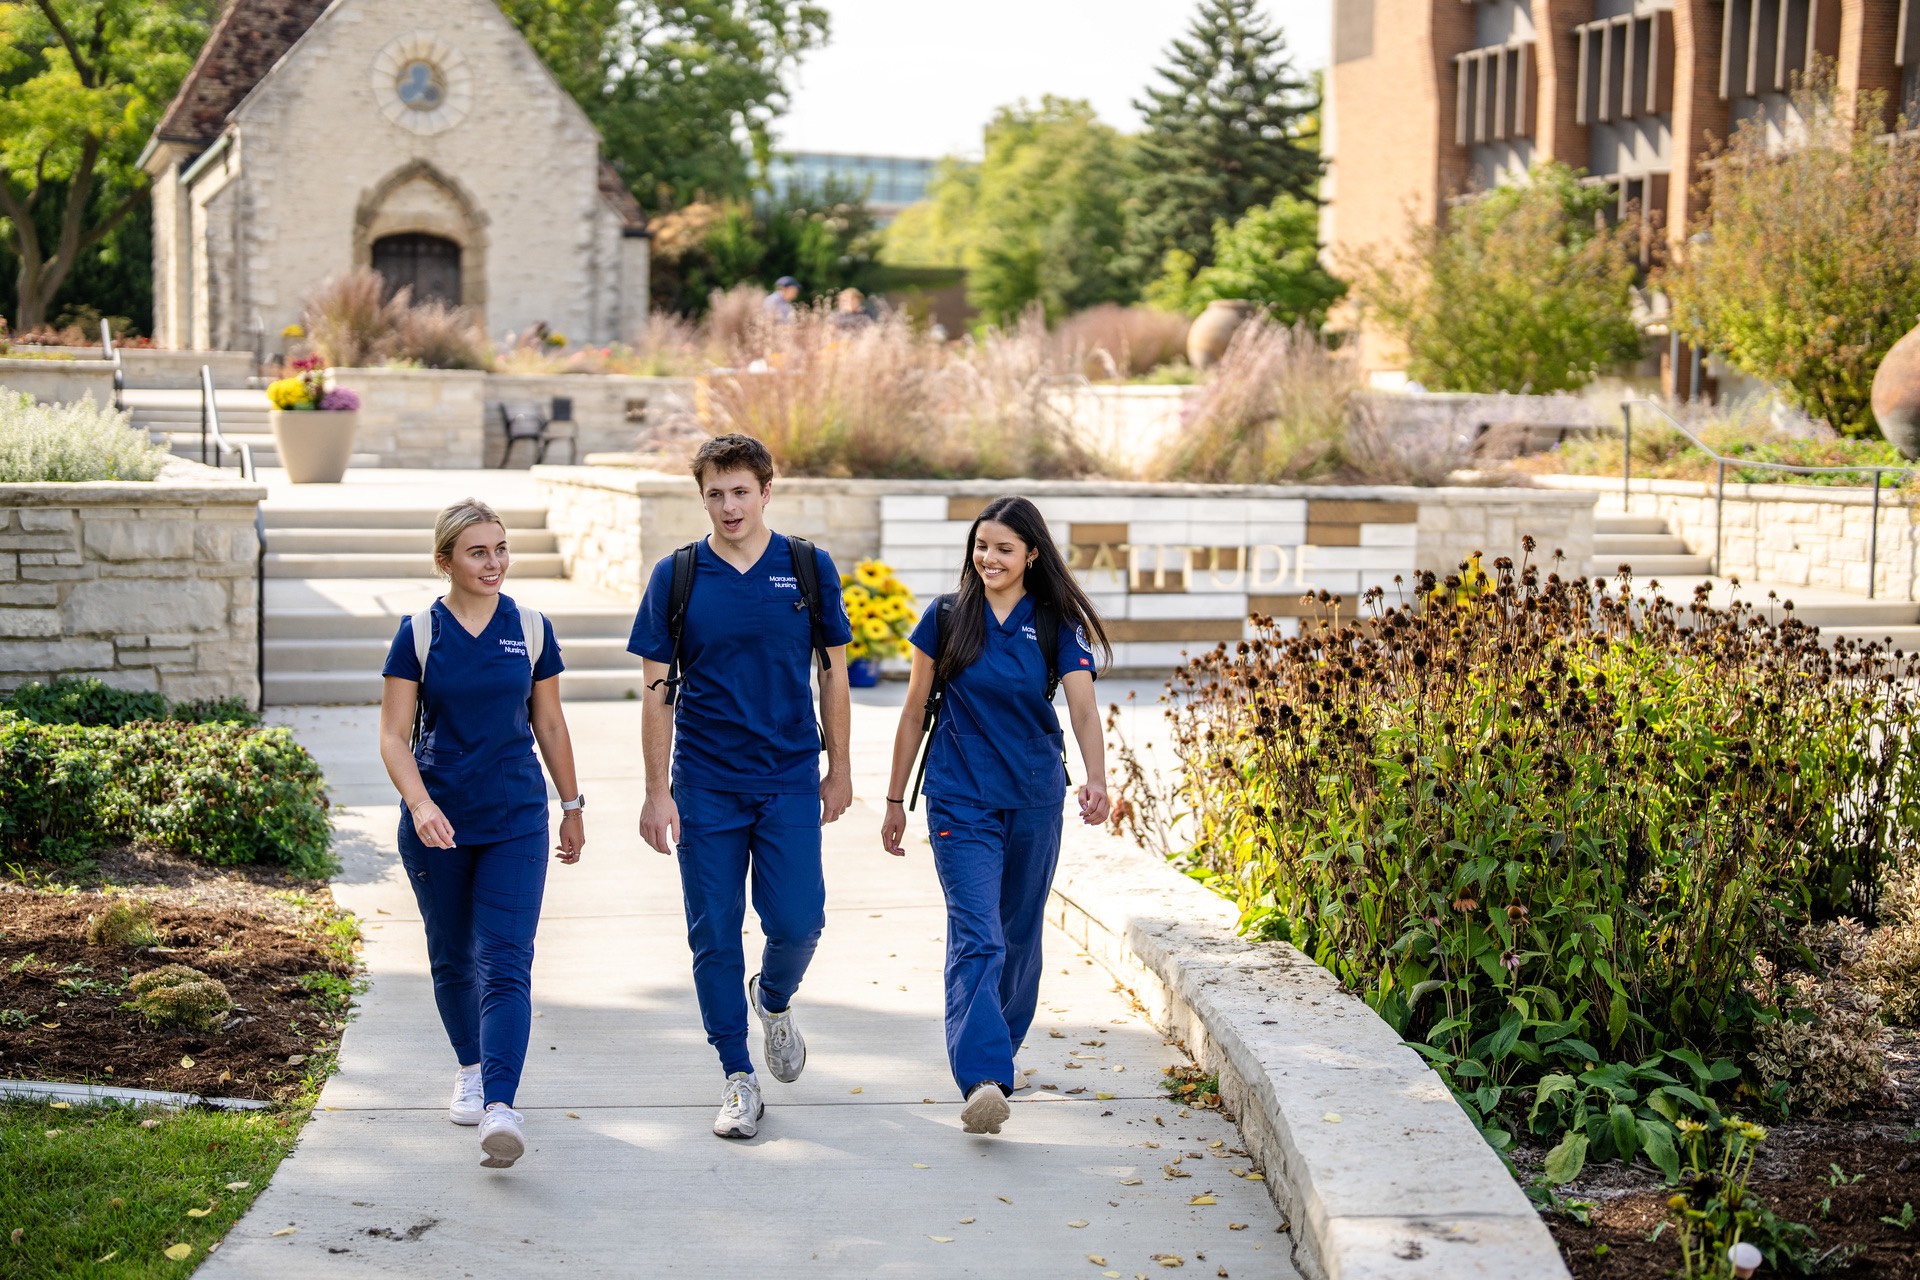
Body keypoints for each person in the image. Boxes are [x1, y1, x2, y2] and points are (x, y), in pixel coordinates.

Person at [628, 434, 853, 1140]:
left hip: (787, 775)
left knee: (798, 921)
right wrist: (656, 789)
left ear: (766, 491)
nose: (728, 505)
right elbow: (656, 689)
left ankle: (774, 999)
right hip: (706, 782)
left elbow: (834, 675)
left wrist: (839, 768)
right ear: (702, 497)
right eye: (715, 493)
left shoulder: (808, 568)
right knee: (714, 934)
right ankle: (737, 1076)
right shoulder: (680, 575)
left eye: (740, 491)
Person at [879, 496, 1111, 1136]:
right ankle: (983, 1077)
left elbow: (1084, 710)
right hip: (960, 797)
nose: (990, 558)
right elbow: (912, 713)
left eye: (1005, 548)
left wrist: (1096, 777)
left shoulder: (1058, 621)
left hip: (1035, 797)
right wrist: (895, 800)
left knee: (1017, 934)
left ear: (1032, 554)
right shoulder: (948, 617)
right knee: (979, 932)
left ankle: (998, 1045)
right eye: (982, 546)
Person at [377, 499, 586, 1169]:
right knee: (451, 958)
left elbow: (549, 724)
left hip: (515, 819)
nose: (493, 562)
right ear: (446, 561)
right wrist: (419, 804)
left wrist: (572, 803)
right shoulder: (417, 633)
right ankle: (470, 1067)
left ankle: (500, 1104)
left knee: (506, 960)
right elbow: (392, 735)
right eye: (477, 551)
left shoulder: (529, 627)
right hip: (439, 824)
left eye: (499, 549)